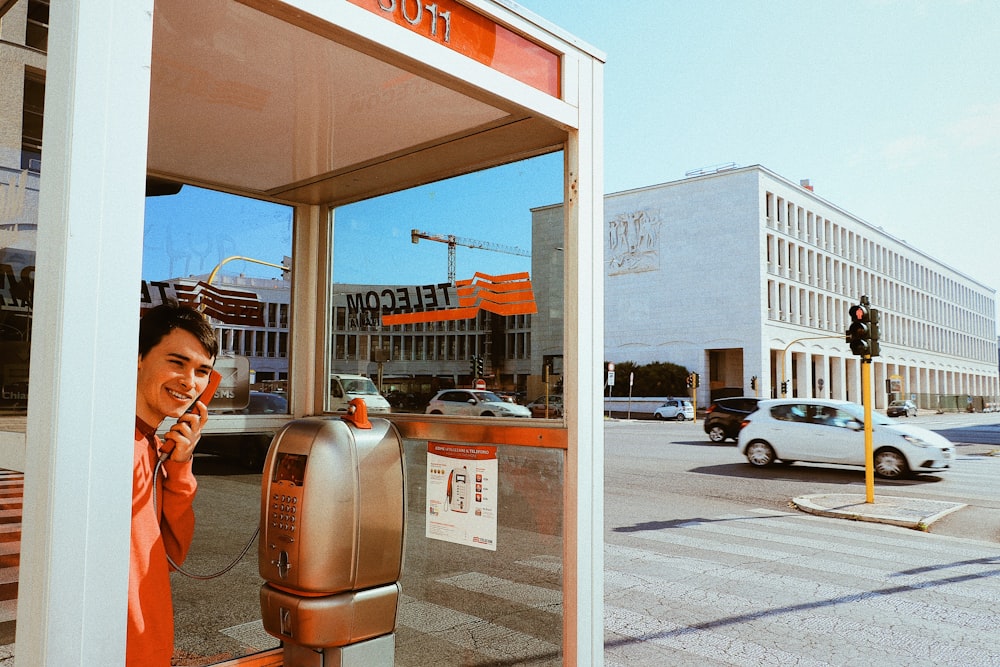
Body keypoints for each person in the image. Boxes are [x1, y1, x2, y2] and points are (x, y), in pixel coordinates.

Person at [129, 303, 218, 666]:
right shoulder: (108, 445)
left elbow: (170, 555)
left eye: (202, 372)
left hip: (150, 645)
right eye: (176, 362)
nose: (190, 383)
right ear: (138, 358)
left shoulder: (151, 444)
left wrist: (180, 467)